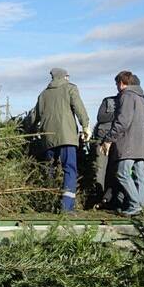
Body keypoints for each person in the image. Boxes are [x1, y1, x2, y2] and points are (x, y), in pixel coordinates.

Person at [29, 67, 90, 211]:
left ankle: (48, 203)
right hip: (67, 137)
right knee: (69, 169)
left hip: (47, 138)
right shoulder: (70, 89)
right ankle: (66, 207)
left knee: (50, 169)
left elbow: (34, 117)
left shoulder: (43, 94)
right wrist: (85, 125)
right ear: (64, 76)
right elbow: (79, 108)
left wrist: (29, 131)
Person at [100, 71, 144, 216]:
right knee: (139, 175)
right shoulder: (142, 99)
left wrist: (109, 139)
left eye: (116, 83)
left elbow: (123, 121)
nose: (116, 87)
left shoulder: (126, 96)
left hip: (128, 143)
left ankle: (135, 205)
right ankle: (142, 208)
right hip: (142, 144)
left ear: (121, 83)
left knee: (122, 173)